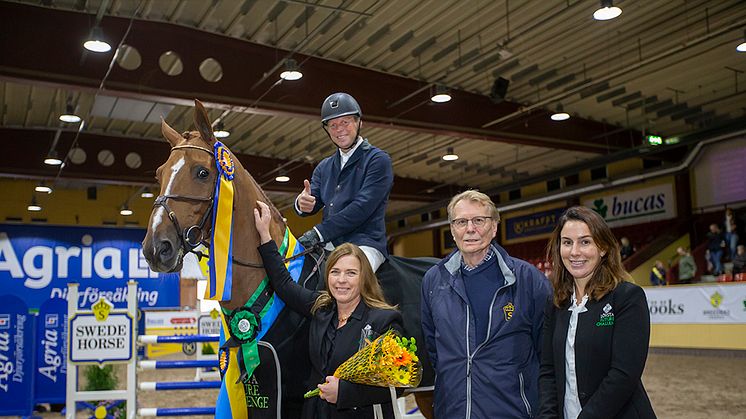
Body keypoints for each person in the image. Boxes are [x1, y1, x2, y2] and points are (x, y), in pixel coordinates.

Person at [254, 201, 401, 419]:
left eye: (351, 273)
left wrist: (345, 392)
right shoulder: (322, 308)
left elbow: (396, 384)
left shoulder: (384, 320)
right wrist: (265, 236)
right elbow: (284, 284)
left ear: (364, 278)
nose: (341, 280)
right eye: (335, 272)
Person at [421, 190, 552, 418]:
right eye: (461, 222)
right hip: (453, 411)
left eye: (479, 220)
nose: (470, 229)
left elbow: (547, 352)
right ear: (452, 230)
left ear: (494, 227)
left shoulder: (527, 279)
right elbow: (434, 348)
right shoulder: (434, 280)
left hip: (512, 411)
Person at [539, 206, 656, 419]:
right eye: (567, 242)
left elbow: (623, 376)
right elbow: (548, 371)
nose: (575, 252)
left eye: (585, 242)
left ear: (602, 247)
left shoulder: (627, 297)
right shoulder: (555, 303)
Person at [295, 92, 393, 272]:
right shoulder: (324, 167)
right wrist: (302, 204)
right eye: (332, 125)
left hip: (364, 244)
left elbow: (361, 208)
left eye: (345, 122)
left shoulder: (378, 160)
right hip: (330, 244)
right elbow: (312, 201)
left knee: (348, 278)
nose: (339, 129)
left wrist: (319, 233)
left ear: (359, 122)